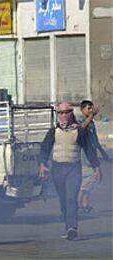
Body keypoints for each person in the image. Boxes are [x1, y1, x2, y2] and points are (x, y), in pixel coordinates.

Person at [38, 102, 100, 241]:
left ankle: (72, 228)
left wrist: (96, 167)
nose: (63, 115)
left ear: (71, 113)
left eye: (67, 112)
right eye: (60, 113)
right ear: (57, 114)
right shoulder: (53, 131)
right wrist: (42, 164)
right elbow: (45, 148)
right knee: (63, 200)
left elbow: (89, 150)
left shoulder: (79, 131)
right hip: (58, 169)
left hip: (73, 169)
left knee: (71, 198)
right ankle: (68, 226)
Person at [77, 100, 109, 213]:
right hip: (83, 156)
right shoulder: (80, 119)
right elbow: (81, 129)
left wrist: (102, 151)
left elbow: (94, 139)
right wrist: (90, 117)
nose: (91, 110)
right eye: (88, 108)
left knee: (88, 182)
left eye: (91, 108)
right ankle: (76, 203)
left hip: (92, 155)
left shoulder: (91, 122)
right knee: (89, 180)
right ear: (82, 110)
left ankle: (85, 205)